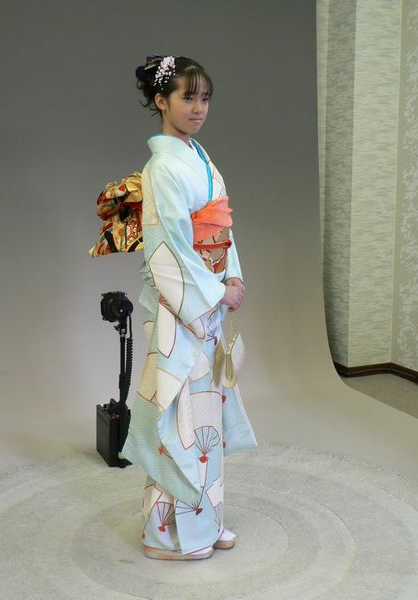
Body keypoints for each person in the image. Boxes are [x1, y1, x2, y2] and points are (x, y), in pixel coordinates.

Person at [119, 54, 258, 560]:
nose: (198, 108)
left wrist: (232, 273)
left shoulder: (200, 156)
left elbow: (221, 227)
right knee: (178, 416)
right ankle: (167, 536)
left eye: (205, 98)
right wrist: (216, 292)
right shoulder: (162, 167)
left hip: (206, 298)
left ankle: (209, 519)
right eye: (187, 97)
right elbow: (168, 248)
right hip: (179, 307)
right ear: (161, 101)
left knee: (205, 418)